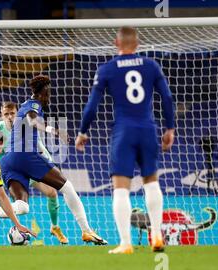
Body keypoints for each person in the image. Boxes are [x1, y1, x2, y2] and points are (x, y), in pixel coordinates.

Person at [75, 26, 175, 254]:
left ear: (116, 43)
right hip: (148, 129)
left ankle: (126, 244)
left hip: (123, 132)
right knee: (151, 182)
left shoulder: (108, 69)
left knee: (121, 189)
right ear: (137, 44)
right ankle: (157, 236)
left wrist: (83, 131)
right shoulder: (150, 65)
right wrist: (170, 127)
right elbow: (167, 97)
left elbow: (92, 106)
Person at [0, 75, 107, 245]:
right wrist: (55, 131)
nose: (49, 96)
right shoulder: (33, 104)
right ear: (43, 92)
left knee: (22, 206)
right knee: (68, 187)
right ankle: (86, 231)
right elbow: (33, 121)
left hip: (9, 160)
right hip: (25, 155)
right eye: (48, 92)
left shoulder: (25, 105)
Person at [0, 101, 68, 245]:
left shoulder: (26, 128)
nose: (10, 117)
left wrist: (50, 167)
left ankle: (55, 227)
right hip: (2, 172)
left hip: (28, 168)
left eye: (12, 114)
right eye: (6, 114)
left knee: (52, 193)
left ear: (17, 114)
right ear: (1, 115)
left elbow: (40, 148)